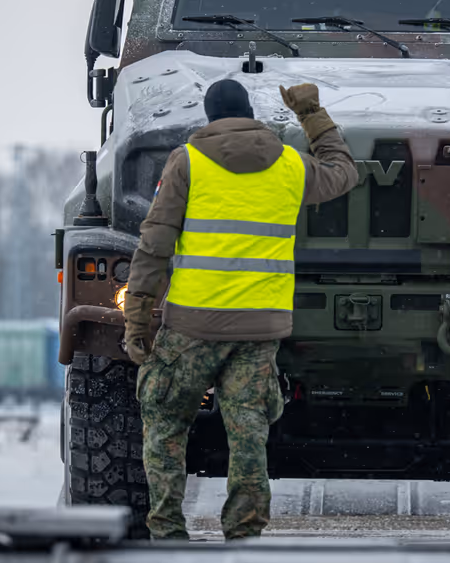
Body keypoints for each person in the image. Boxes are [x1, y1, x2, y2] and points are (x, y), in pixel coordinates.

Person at [123, 78, 357, 540]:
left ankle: (167, 530)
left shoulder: (187, 162)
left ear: (210, 118)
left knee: (166, 422)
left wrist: (137, 319)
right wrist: (310, 113)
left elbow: (154, 245)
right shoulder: (290, 165)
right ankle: (245, 535)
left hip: (192, 324)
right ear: (250, 114)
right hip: (259, 328)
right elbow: (344, 171)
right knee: (248, 432)